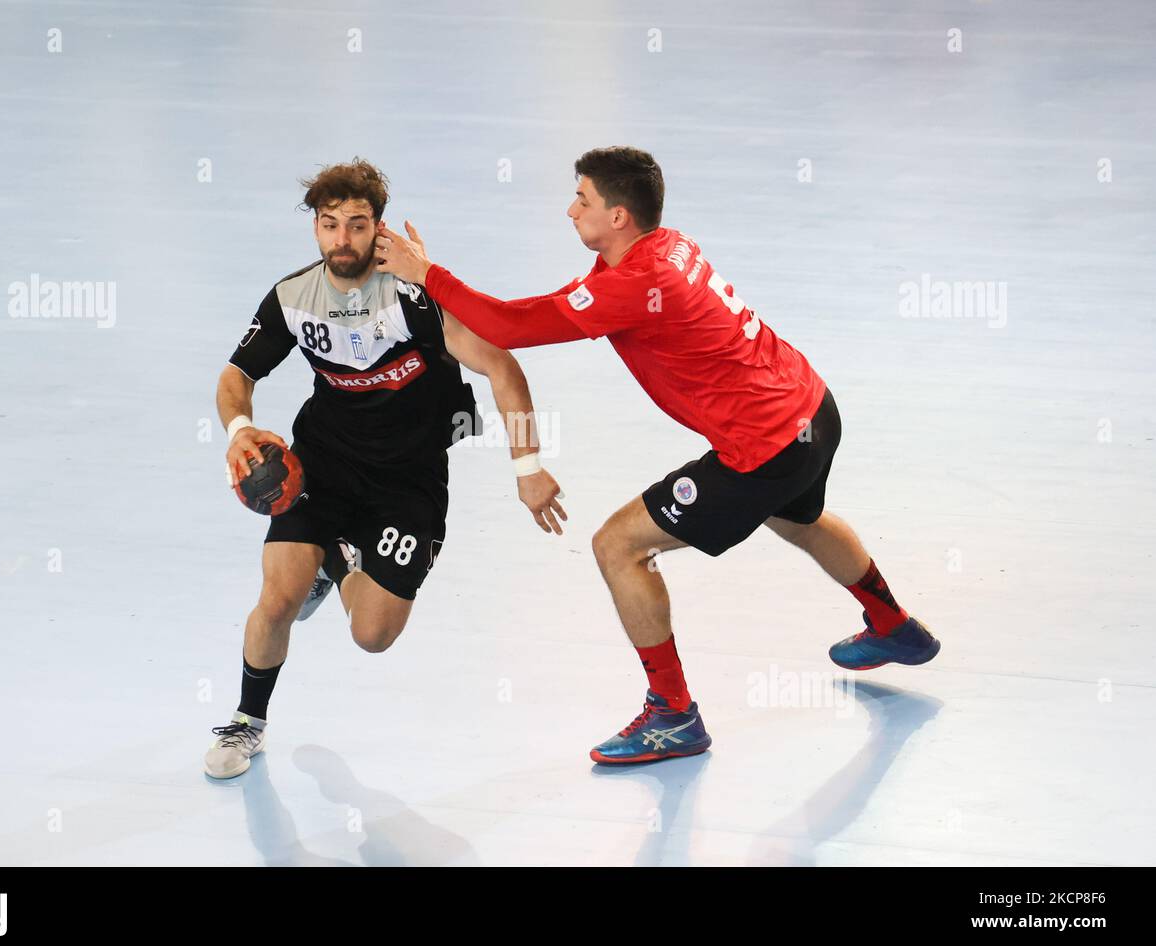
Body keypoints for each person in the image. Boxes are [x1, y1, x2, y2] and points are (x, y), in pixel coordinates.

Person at [375, 146, 939, 765]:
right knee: (796, 518)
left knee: (618, 546)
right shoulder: (662, 247)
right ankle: (893, 625)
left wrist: (428, 274)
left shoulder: (639, 282)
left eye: (582, 199)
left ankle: (673, 715)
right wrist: (437, 290)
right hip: (811, 409)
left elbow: (512, 329)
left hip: (765, 446)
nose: (570, 210)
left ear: (618, 215)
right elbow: (536, 313)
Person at [204, 159, 566, 779]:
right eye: (328, 225)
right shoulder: (294, 295)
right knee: (276, 598)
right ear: (315, 230)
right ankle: (247, 722)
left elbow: (503, 367)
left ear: (379, 227)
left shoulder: (416, 295)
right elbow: (237, 375)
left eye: (357, 224)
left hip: (408, 480)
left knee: (372, 635)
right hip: (322, 464)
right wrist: (240, 430)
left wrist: (528, 465)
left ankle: (337, 560)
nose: (342, 239)